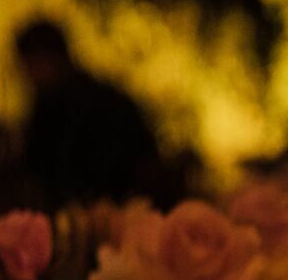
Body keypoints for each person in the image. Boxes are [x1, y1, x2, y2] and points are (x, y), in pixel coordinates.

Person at [15, 18, 184, 208]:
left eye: (30, 64)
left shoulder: (97, 105)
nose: (27, 75)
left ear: (50, 58)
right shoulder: (48, 108)